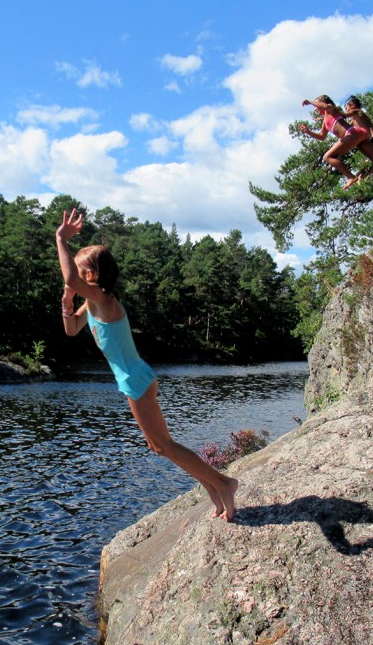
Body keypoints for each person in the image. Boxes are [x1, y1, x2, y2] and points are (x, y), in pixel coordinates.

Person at [55, 208, 240, 521]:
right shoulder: (92, 303)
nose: (71, 273)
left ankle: (224, 483)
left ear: (92, 276)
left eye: (77, 269)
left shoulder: (104, 299)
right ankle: (213, 486)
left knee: (164, 445)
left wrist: (61, 239)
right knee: (160, 447)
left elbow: (69, 277)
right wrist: (66, 304)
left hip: (137, 381)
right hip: (133, 381)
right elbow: (71, 330)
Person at [299, 95, 373, 185]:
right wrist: (308, 132)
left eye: (316, 104)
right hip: (359, 136)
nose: (315, 108)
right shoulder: (325, 121)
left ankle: (351, 177)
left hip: (352, 134)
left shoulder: (331, 109)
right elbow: (322, 136)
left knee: (327, 157)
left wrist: (310, 101)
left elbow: (325, 106)